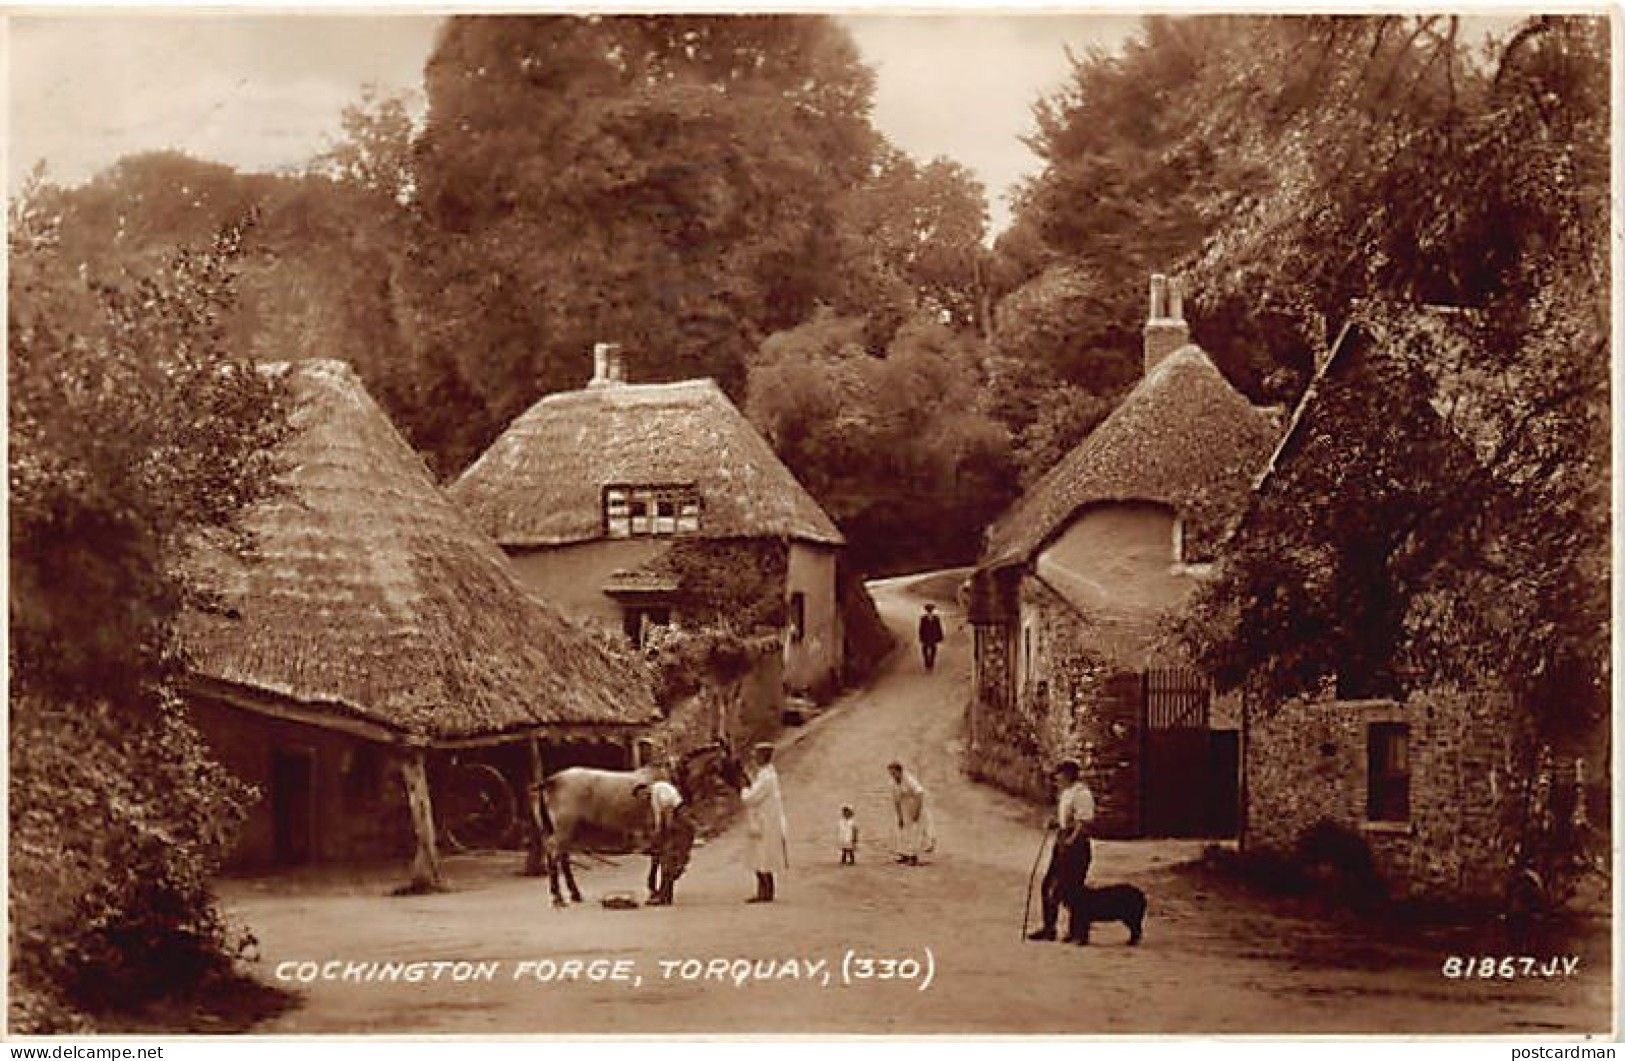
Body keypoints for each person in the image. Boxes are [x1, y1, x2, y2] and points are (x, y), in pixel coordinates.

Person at [1028, 758, 1095, 943]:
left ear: (1068, 775)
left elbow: (1084, 822)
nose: (1057, 779)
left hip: (1076, 845)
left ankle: (1079, 932)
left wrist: (1071, 841)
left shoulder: (1082, 794)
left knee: (1072, 889)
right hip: (1062, 842)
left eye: (1059, 775)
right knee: (1049, 885)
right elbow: (1068, 819)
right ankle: (1049, 928)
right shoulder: (1066, 793)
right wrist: (1056, 824)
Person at [740, 742, 788, 903]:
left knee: (762, 856)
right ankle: (766, 890)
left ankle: (764, 891)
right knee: (762, 856)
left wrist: (744, 790)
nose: (754, 759)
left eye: (756, 756)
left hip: (765, 822)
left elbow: (751, 798)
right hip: (765, 820)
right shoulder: (766, 775)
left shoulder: (766, 777)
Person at [643, 768, 692, 906]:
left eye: (642, 794)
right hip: (677, 821)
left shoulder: (658, 788)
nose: (643, 798)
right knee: (669, 861)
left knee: (669, 860)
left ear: (645, 789)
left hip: (679, 820)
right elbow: (659, 821)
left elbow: (669, 808)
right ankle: (665, 895)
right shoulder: (653, 798)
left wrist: (667, 832)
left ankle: (664, 896)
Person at [888, 761, 934, 865]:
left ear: (900, 771)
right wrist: (899, 816)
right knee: (902, 830)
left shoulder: (909, 779)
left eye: (894, 773)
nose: (893, 776)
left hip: (916, 805)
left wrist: (917, 811)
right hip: (905, 808)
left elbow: (920, 793)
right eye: (891, 773)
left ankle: (913, 857)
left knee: (915, 831)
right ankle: (904, 854)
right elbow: (896, 800)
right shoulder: (892, 783)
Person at [917, 604, 945, 671]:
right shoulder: (923, 618)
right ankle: (926, 662)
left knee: (933, 649)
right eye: (928, 610)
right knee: (924, 649)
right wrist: (921, 636)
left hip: (933, 635)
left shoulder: (936, 618)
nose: (930, 611)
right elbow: (921, 628)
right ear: (926, 611)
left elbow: (939, 627)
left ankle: (932, 661)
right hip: (926, 636)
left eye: (931, 610)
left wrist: (940, 636)